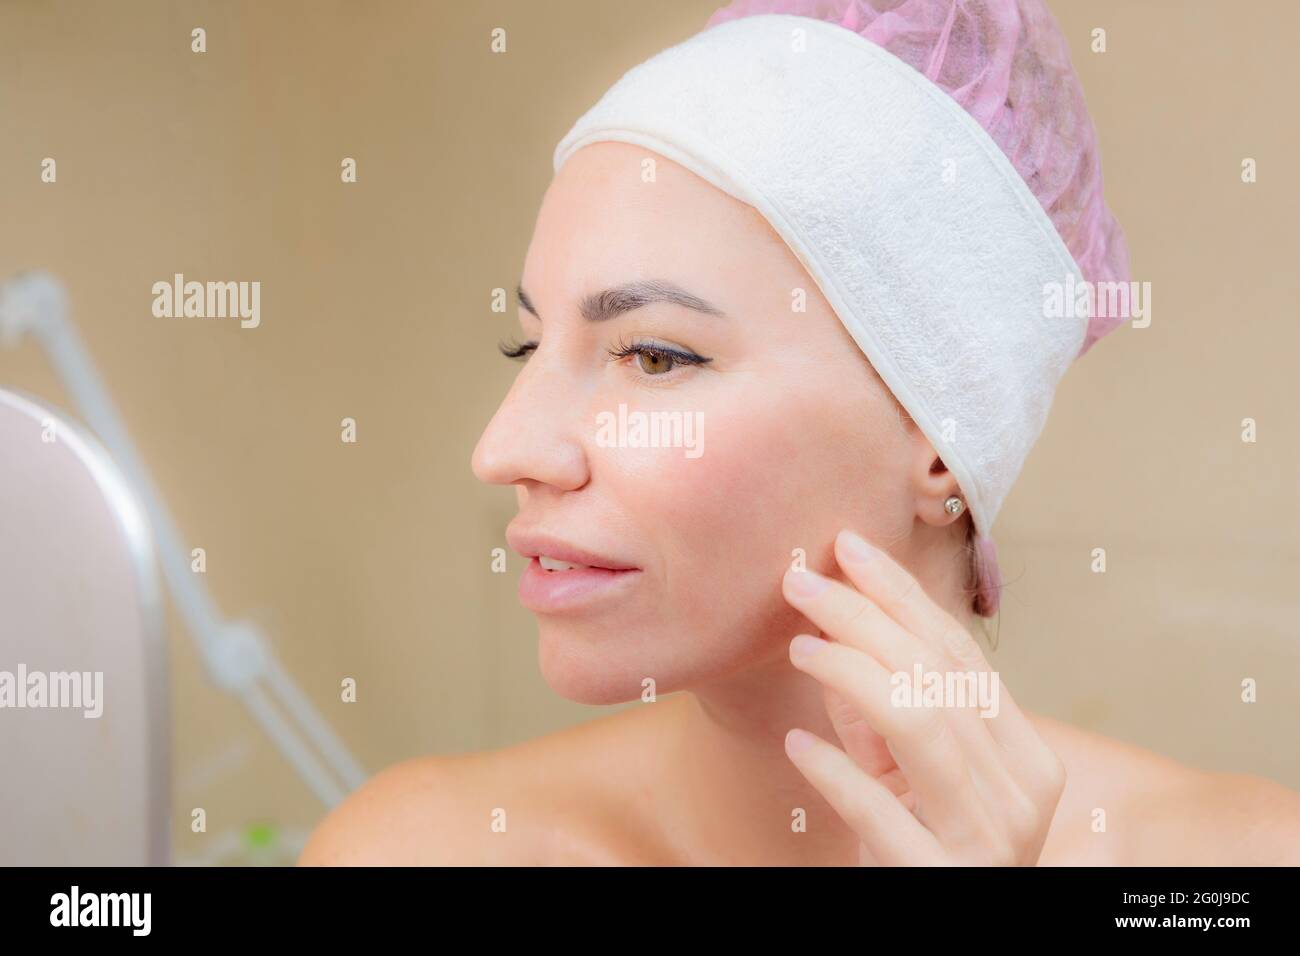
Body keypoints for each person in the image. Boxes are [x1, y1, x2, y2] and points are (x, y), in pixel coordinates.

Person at [301, 0, 1300, 865]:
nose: (506, 450)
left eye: (652, 355)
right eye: (529, 350)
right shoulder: (417, 846)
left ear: (941, 443)